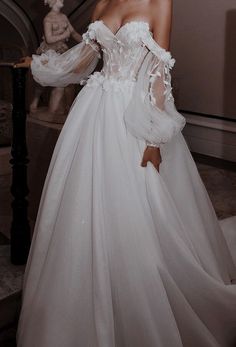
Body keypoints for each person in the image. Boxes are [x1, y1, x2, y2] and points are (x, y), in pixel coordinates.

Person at [16, 0, 236, 346]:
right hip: (92, 110)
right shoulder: (102, 2)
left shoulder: (160, 2)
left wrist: (153, 137)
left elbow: (159, 72)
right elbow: (86, 56)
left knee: (137, 207)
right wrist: (44, 64)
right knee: (81, 203)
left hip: (133, 116)